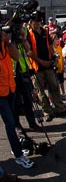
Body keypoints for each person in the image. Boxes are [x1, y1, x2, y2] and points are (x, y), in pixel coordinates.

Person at [0, 31, 35, 169]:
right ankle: (18, 155)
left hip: (10, 89)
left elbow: (15, 56)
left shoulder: (5, 43)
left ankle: (17, 150)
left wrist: (8, 41)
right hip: (1, 93)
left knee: (13, 122)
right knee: (10, 123)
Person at [27, 16, 66, 122]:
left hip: (48, 64)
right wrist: (41, 62)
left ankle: (60, 108)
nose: (36, 23)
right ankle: (47, 111)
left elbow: (50, 46)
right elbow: (29, 52)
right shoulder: (28, 34)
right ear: (31, 22)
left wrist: (53, 56)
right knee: (40, 91)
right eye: (34, 21)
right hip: (36, 67)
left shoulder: (45, 32)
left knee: (54, 86)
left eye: (38, 21)